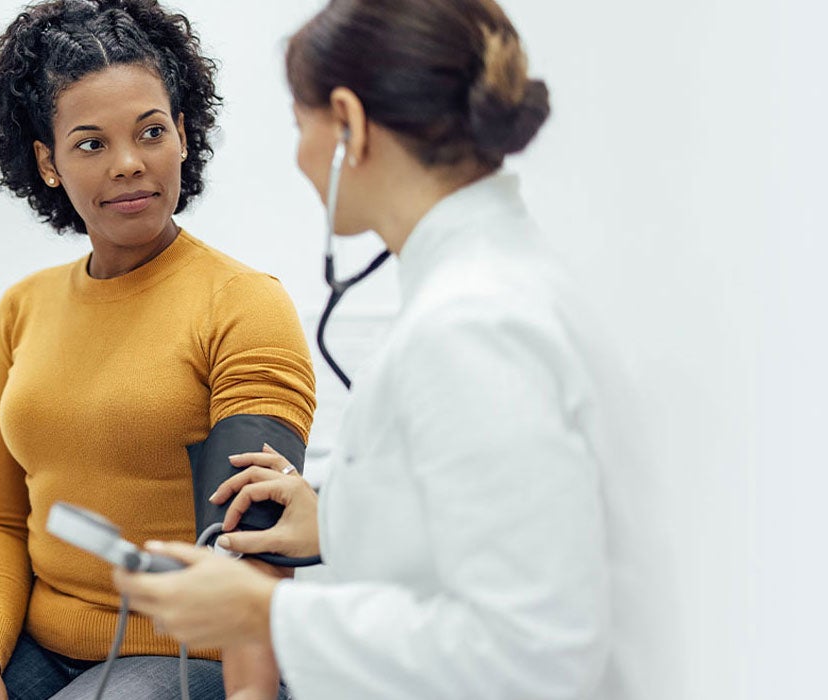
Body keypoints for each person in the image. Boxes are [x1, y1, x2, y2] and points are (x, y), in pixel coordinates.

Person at [114, 0, 634, 698]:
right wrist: (338, 519)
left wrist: (265, 611)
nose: (298, 156)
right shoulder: (489, 288)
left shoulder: (471, 327)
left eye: (302, 126)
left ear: (349, 126)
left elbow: (535, 652)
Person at [0, 1, 315, 698]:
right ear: (47, 162)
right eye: (91, 143)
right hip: (39, 646)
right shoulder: (23, 310)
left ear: (184, 135)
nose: (129, 164)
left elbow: (248, 555)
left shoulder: (244, 305)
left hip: (193, 658)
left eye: (151, 131)